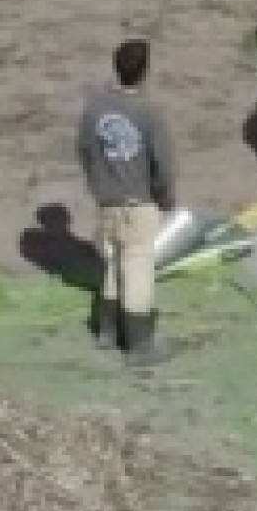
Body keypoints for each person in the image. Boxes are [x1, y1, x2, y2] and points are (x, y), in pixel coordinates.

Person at [76, 37, 177, 367]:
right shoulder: (149, 113)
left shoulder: (95, 109)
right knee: (137, 268)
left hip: (107, 201)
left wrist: (99, 186)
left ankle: (107, 331)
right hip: (138, 202)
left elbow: (84, 150)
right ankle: (138, 344)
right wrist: (164, 197)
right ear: (145, 71)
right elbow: (162, 163)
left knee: (113, 263)